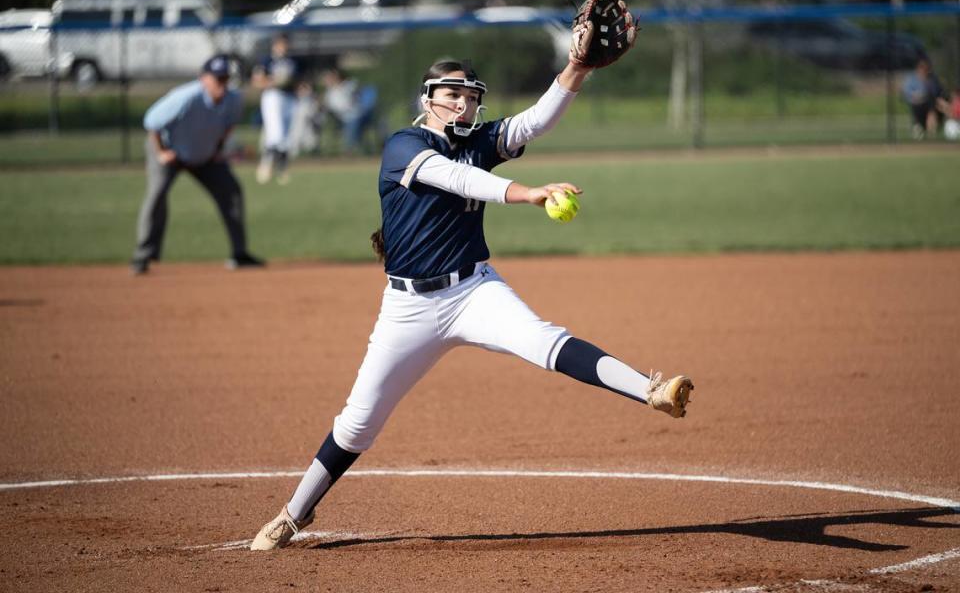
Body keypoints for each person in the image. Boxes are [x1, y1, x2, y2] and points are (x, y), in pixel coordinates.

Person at [251, 29, 694, 551]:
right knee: (357, 424)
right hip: (408, 308)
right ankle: (293, 513)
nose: (463, 101)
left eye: (471, 94)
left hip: (474, 291)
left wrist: (578, 67)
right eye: (452, 93)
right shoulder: (404, 145)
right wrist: (528, 193)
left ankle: (650, 390)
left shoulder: (478, 143)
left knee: (545, 341)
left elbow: (534, 120)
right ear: (428, 100)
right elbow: (459, 180)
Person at [130, 54, 264, 276]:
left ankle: (240, 254)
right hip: (170, 151)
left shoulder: (233, 99)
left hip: (204, 156)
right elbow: (151, 122)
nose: (222, 83)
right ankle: (142, 256)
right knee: (157, 194)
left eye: (225, 78)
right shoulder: (186, 97)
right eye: (217, 78)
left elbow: (229, 125)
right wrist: (162, 152)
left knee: (231, 191)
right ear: (204, 79)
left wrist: (218, 150)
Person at [253, 33, 303, 184]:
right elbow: (257, 81)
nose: (283, 47)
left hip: (290, 97)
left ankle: (281, 169)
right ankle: (268, 166)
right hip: (272, 96)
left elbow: (298, 81)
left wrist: (298, 86)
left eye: (285, 44)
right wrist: (275, 81)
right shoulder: (267, 60)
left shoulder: (293, 61)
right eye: (280, 44)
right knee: (276, 133)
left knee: (286, 137)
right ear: (275, 45)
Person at [319, 67, 381, 154]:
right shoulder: (329, 94)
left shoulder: (348, 85)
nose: (326, 81)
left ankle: (382, 145)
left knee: (377, 121)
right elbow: (328, 107)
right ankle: (352, 149)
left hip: (358, 114)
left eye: (329, 78)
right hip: (342, 118)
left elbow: (358, 89)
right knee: (352, 121)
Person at [901, 57, 948, 140]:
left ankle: (932, 130)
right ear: (918, 68)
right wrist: (917, 96)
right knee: (931, 105)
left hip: (932, 105)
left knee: (933, 105)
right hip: (917, 105)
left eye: (926, 68)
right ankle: (926, 129)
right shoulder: (911, 80)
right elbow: (907, 95)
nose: (924, 70)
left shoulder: (932, 80)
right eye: (922, 68)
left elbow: (937, 93)